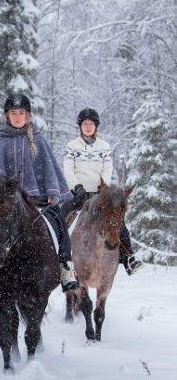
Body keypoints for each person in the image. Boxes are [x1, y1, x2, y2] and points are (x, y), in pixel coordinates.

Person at [0, 93, 80, 292]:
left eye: (21, 113)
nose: (17, 116)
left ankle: (66, 267)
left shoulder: (37, 141)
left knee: (58, 222)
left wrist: (52, 191)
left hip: (36, 200)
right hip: (6, 202)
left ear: (27, 116)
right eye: (13, 113)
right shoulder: (0, 143)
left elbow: (48, 168)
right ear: (7, 115)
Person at [62, 108, 143, 275]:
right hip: (78, 194)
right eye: (85, 124)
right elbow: (68, 169)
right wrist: (77, 187)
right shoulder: (72, 146)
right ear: (80, 126)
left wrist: (103, 188)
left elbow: (107, 168)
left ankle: (129, 258)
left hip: (99, 195)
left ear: (96, 126)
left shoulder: (104, 146)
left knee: (117, 221)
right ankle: (60, 257)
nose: (88, 126)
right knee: (61, 217)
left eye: (91, 123)